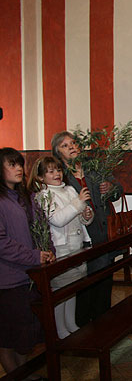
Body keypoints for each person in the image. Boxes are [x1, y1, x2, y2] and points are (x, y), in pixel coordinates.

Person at [51, 130, 123, 326]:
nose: (72, 147)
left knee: (104, 277)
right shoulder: (61, 175)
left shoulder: (94, 167)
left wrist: (110, 187)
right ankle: (85, 324)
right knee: (84, 281)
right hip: (81, 235)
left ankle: (103, 319)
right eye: (65, 146)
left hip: (104, 230)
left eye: (73, 143)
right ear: (58, 153)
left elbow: (119, 190)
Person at [0, 148, 55, 377]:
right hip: (8, 278)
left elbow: (42, 228)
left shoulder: (26, 197)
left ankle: (23, 372)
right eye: (12, 165)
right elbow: (1, 242)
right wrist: (34, 256)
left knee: (26, 334)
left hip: (30, 275)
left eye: (20, 164)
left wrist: (49, 250)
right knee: (8, 336)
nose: (19, 168)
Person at [28, 156, 93, 339]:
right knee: (60, 290)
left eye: (58, 170)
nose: (56, 174)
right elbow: (57, 219)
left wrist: (86, 214)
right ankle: (60, 329)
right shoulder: (43, 195)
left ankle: (70, 323)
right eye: (50, 171)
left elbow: (81, 218)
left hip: (77, 245)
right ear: (40, 177)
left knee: (72, 287)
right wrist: (79, 203)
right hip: (61, 248)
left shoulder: (70, 189)